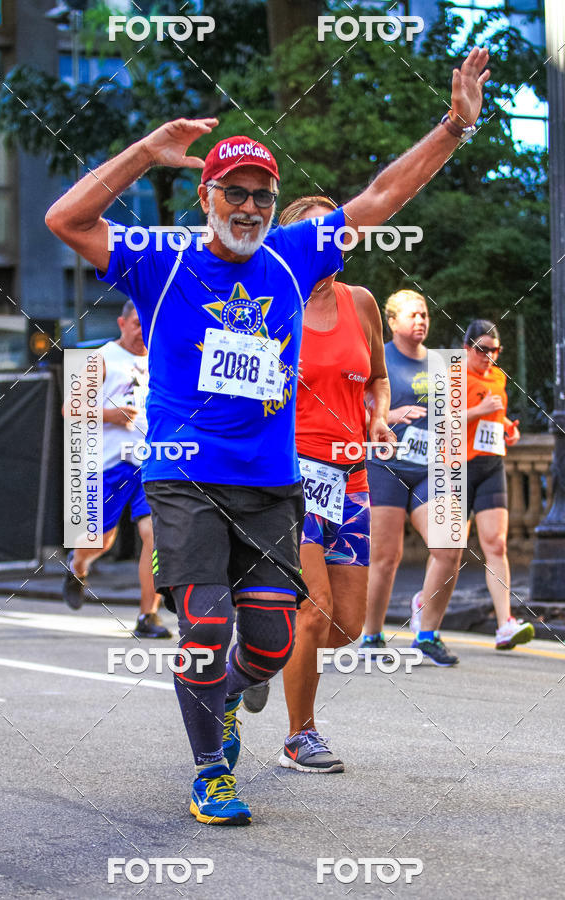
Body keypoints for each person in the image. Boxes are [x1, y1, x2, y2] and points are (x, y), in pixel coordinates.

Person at [45, 45, 490, 826]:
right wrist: (147, 151)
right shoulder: (162, 257)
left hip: (269, 483)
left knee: (272, 642)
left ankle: (233, 688)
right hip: (183, 477)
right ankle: (211, 772)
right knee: (205, 626)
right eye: (234, 192)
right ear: (207, 196)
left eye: (262, 194)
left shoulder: (292, 254)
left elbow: (381, 196)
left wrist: (454, 125)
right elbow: (65, 219)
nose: (249, 206)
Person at [275, 195, 391, 773]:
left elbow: (378, 379)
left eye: (336, 234)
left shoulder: (361, 303)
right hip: (289, 476)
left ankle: (258, 654)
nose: (329, 243)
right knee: (313, 609)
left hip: (350, 479)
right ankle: (301, 735)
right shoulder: (267, 302)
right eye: (315, 234)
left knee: (346, 623)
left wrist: (378, 416)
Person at [359, 290, 462, 666]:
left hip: (430, 469)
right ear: (391, 322)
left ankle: (427, 633)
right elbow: (353, 408)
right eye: (412, 315)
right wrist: (388, 416)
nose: (421, 320)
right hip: (385, 466)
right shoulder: (377, 358)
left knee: (449, 548)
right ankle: (371, 635)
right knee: (386, 557)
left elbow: (451, 418)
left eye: (425, 315)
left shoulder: (441, 364)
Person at [62, 301, 172, 639]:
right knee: (100, 541)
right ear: (122, 323)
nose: (142, 330)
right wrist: (110, 415)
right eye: (136, 323)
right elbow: (69, 408)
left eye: (147, 323)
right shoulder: (103, 357)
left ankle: (147, 615)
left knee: (153, 534)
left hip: (149, 463)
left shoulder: (162, 357)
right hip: (107, 463)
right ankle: (78, 565)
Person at [464, 319, 534, 650]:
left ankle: (505, 624)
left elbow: (495, 414)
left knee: (496, 544)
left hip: (491, 464)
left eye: (495, 350)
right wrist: (478, 409)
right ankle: (423, 604)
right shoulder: (452, 375)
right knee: (449, 551)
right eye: (482, 350)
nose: (489, 356)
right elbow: (441, 421)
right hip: (457, 466)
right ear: (466, 348)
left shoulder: (498, 376)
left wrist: (507, 426)